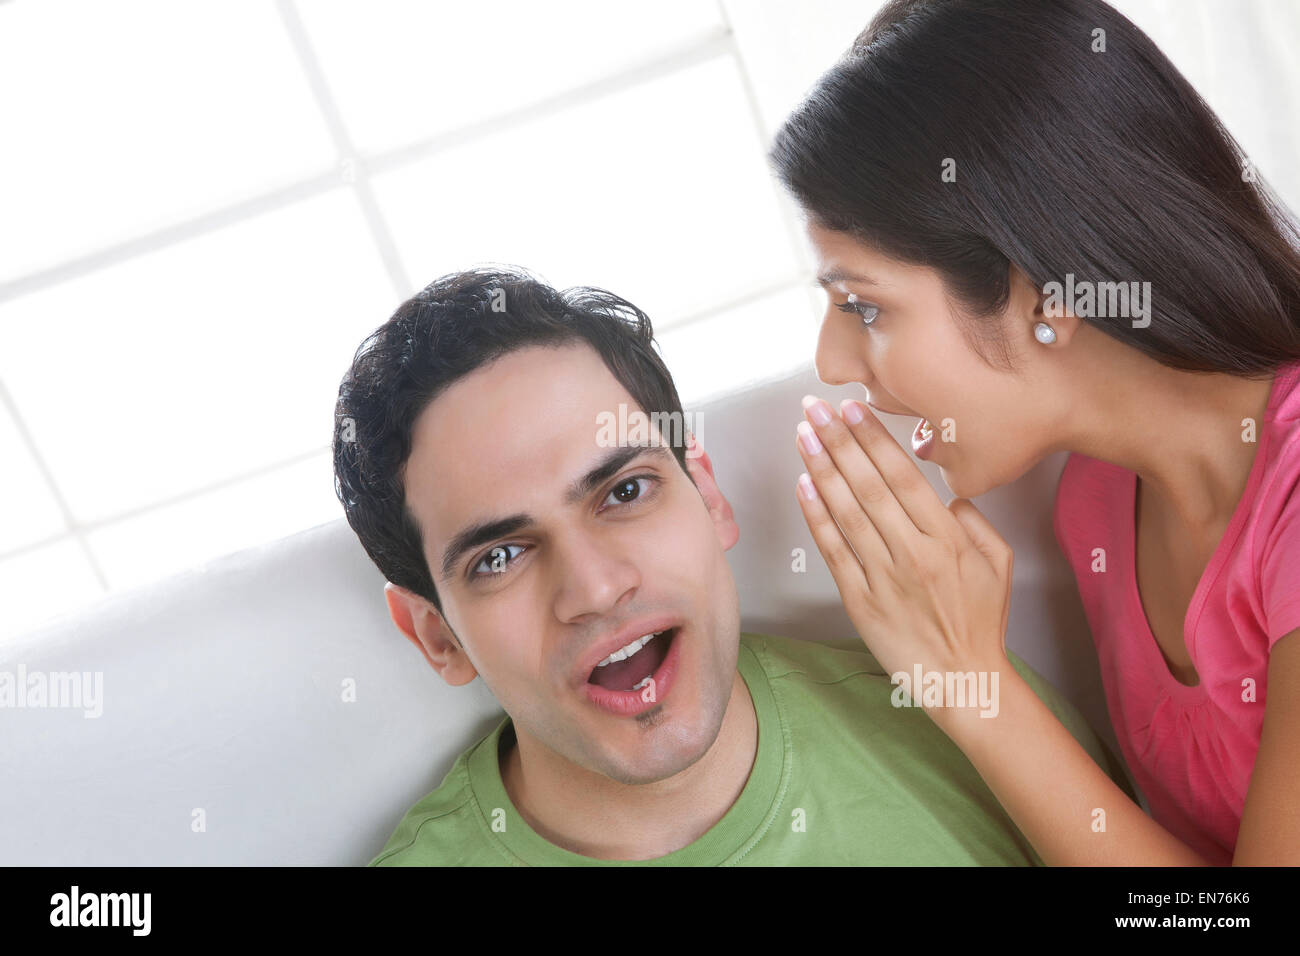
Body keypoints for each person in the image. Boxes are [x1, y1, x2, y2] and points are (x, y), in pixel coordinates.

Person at [332, 266, 1131, 865]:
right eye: (500, 555)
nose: (596, 587)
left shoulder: (970, 726)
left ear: (707, 495)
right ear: (437, 636)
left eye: (624, 491)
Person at [769, 0, 1300, 864]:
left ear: (1046, 294)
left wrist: (969, 686)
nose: (833, 361)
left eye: (864, 305)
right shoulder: (1097, 503)